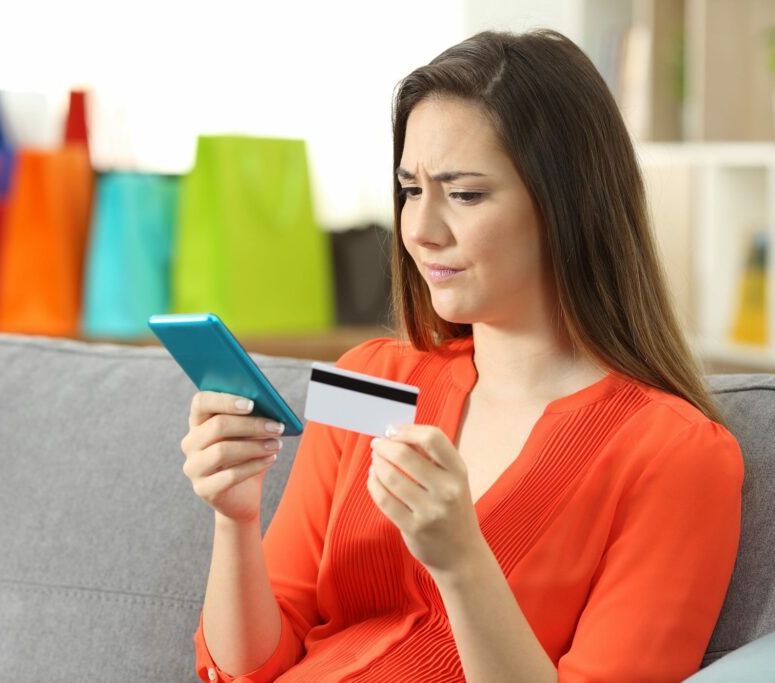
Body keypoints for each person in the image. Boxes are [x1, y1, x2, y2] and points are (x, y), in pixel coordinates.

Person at [181, 28, 744, 682]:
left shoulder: (676, 456)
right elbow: (248, 665)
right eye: (411, 189)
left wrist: (462, 563)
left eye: (465, 193)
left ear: (567, 206)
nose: (420, 229)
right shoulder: (371, 379)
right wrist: (235, 515)